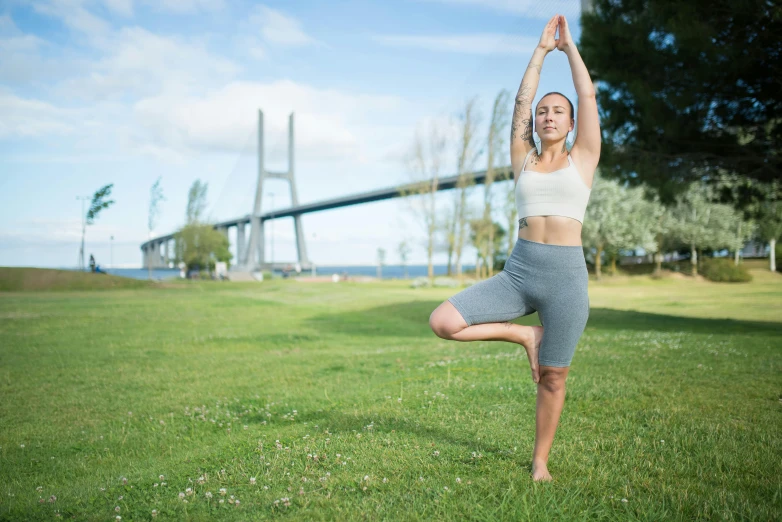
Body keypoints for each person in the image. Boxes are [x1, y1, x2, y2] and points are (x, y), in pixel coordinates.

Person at [428, 14, 600, 482]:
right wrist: (541, 51)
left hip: (566, 278)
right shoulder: (521, 159)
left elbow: (587, 96)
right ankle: (525, 335)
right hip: (520, 272)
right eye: (543, 112)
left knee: (554, 376)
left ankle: (540, 460)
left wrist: (570, 50)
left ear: (570, 125)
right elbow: (520, 105)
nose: (547, 116)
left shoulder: (583, 158)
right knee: (443, 321)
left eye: (557, 112)